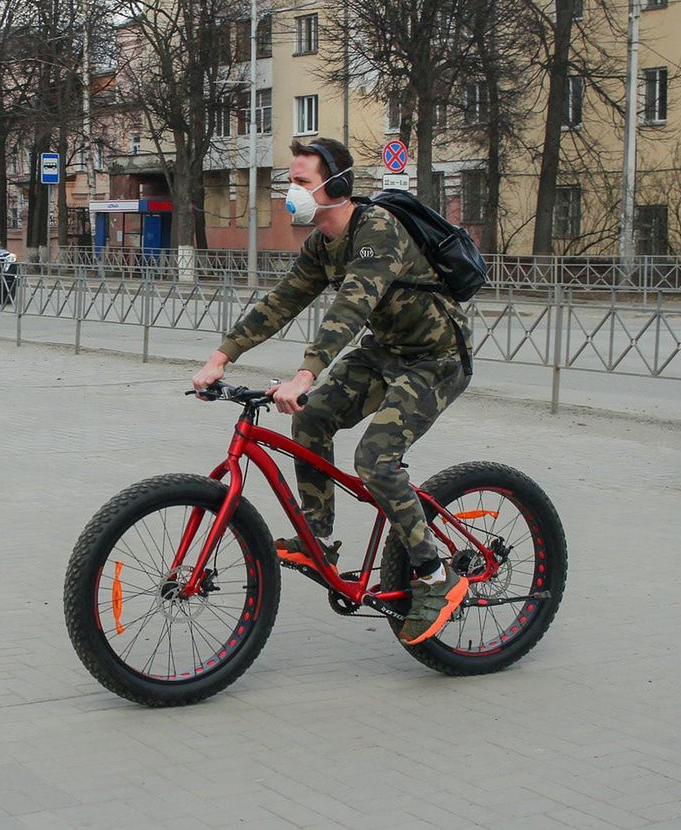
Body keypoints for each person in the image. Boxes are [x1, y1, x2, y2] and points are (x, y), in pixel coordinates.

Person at [192, 137, 473, 646]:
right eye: (289, 183)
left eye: (300, 182)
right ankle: (317, 535)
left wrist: (306, 374)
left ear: (335, 185)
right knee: (313, 418)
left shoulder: (377, 231)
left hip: (436, 360)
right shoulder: (321, 245)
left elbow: (352, 307)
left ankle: (435, 576)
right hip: (385, 354)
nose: (289, 193)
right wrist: (221, 356)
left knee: (376, 460)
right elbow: (281, 301)